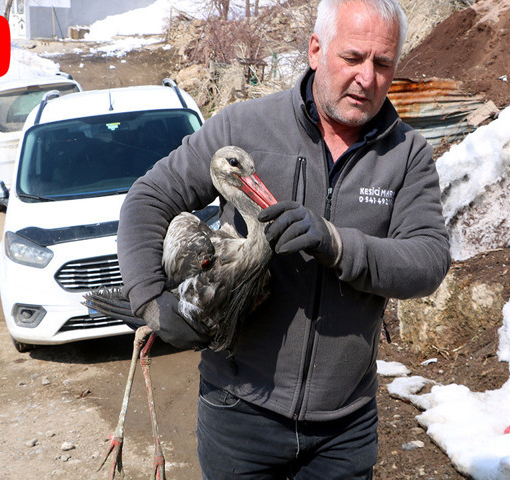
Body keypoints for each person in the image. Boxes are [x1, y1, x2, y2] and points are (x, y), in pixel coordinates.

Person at [116, 0, 451, 477]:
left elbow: (428, 260)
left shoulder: (407, 154)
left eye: (383, 64)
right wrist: (148, 299)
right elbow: (148, 198)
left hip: (344, 430)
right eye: (353, 58)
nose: (367, 78)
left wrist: (336, 244)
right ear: (316, 50)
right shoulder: (243, 128)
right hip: (238, 414)